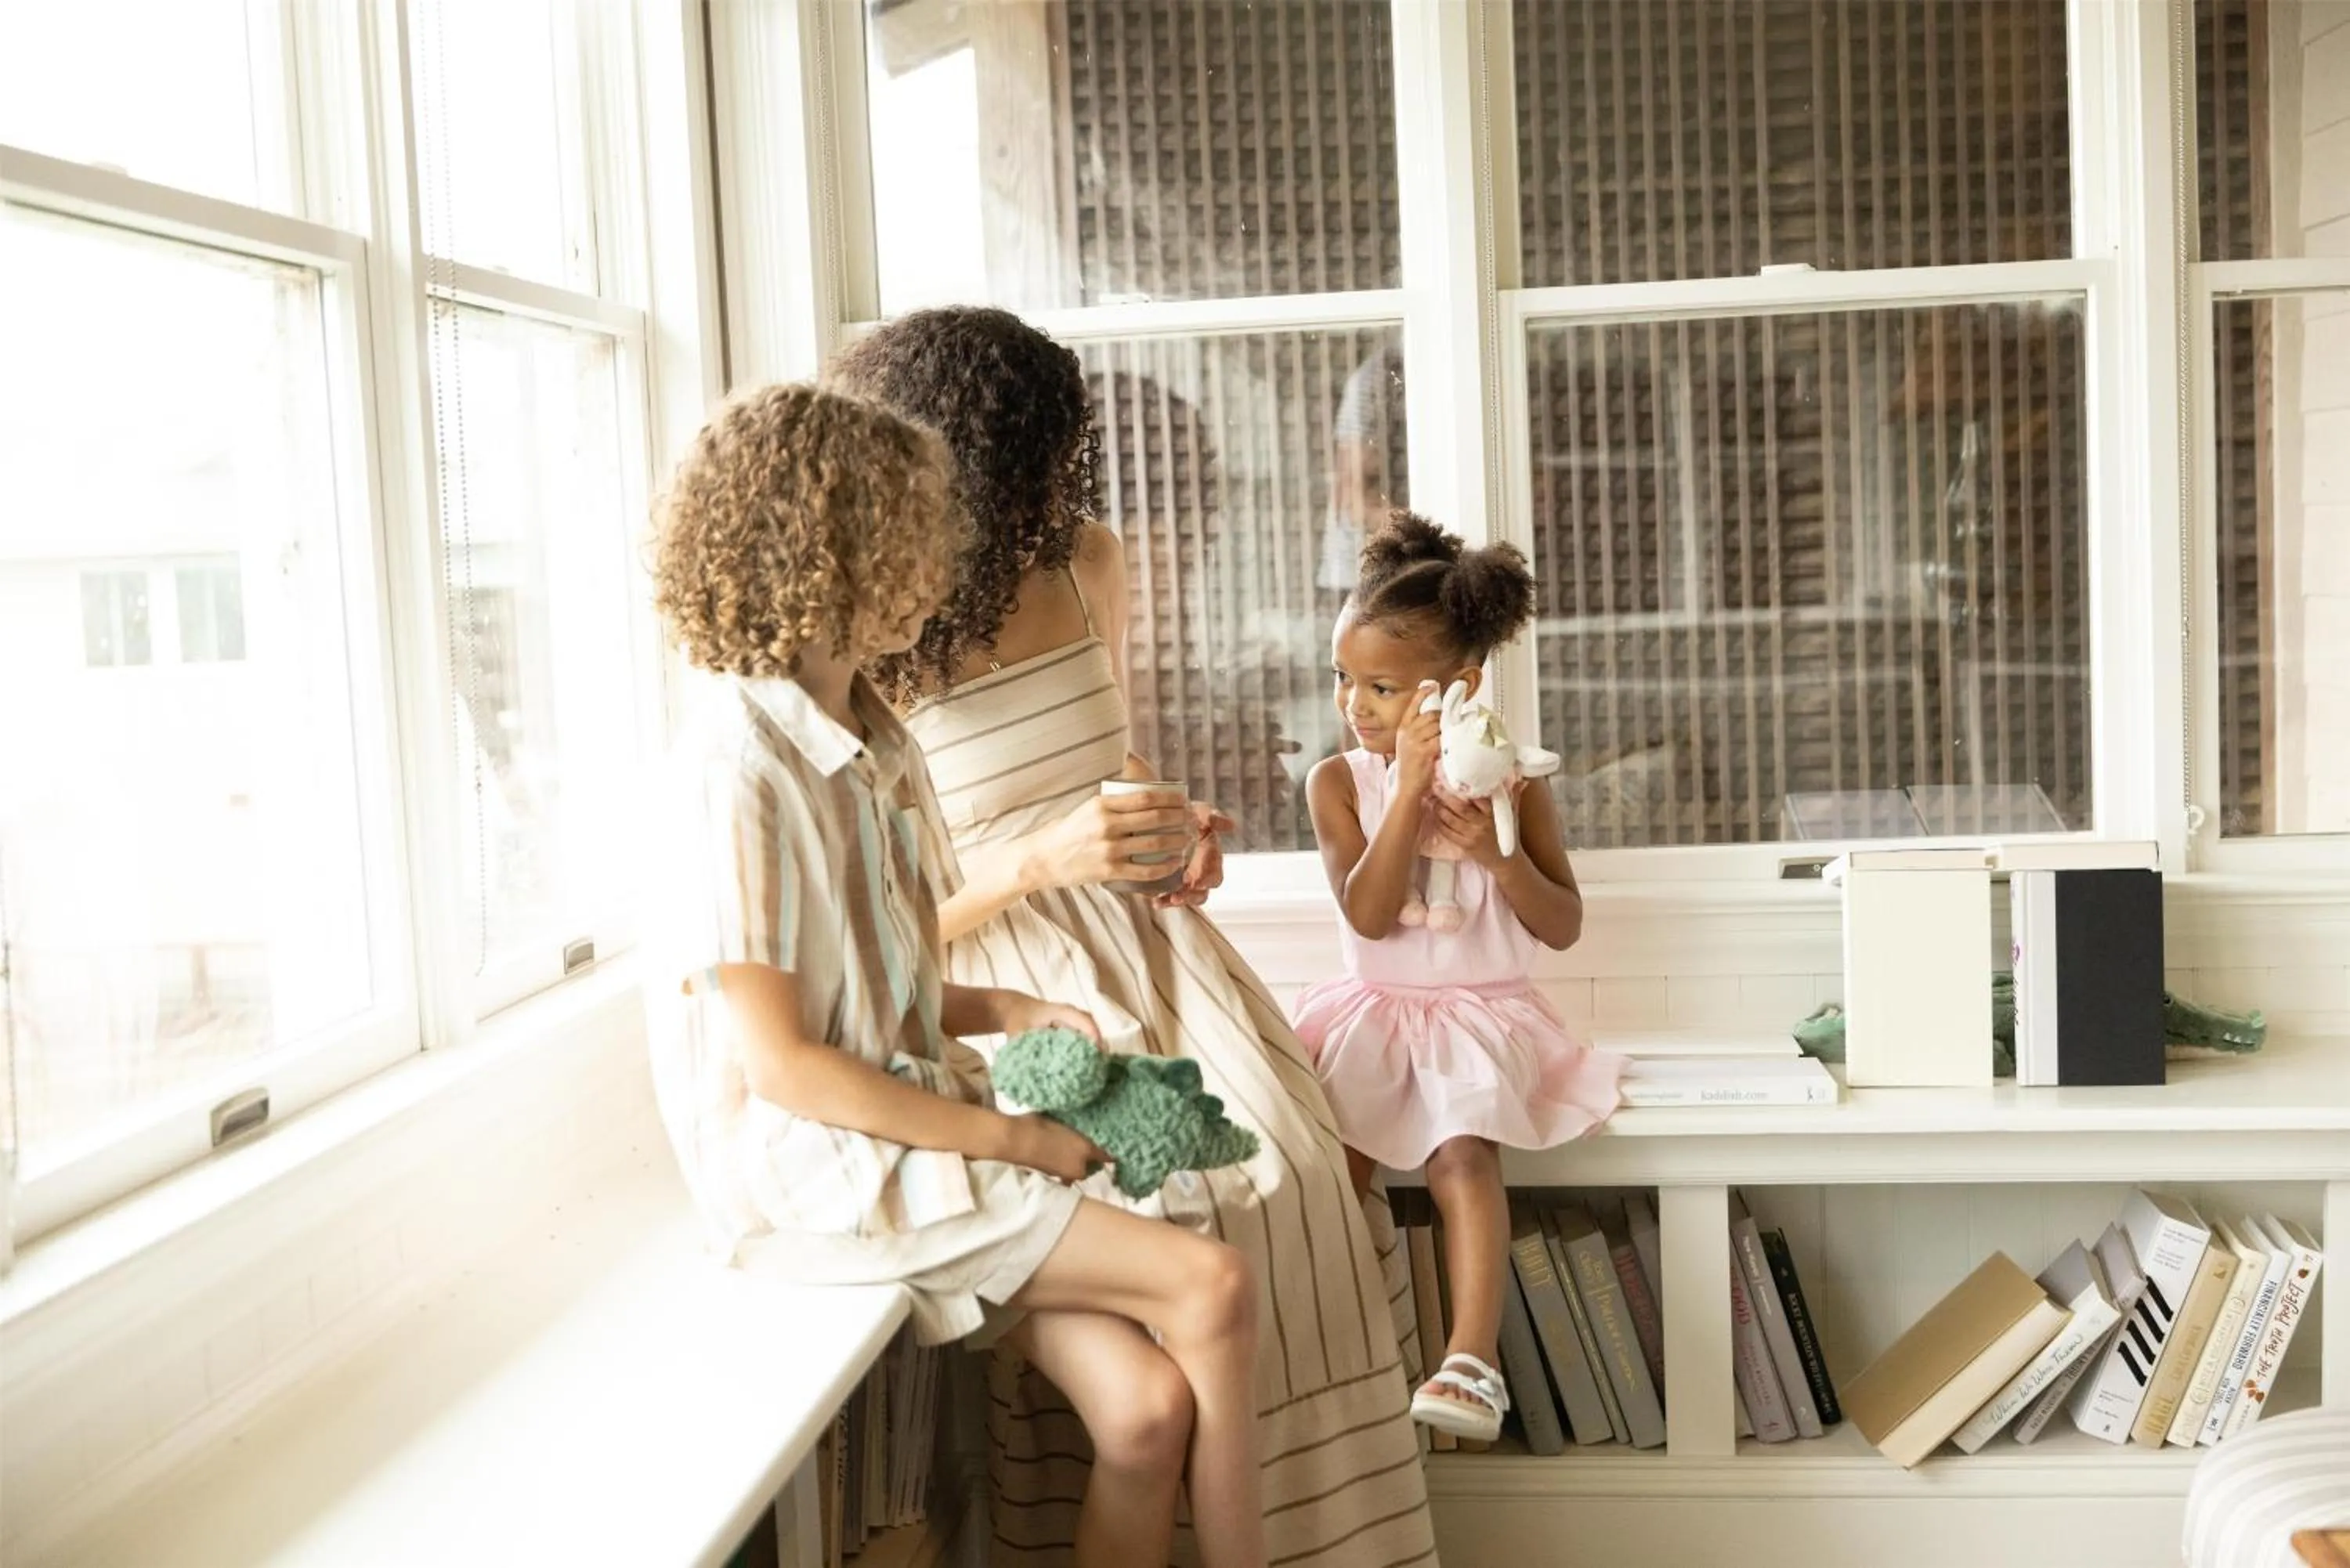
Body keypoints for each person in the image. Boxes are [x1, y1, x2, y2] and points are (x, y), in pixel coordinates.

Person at [827, 309, 1437, 1568]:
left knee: (1305, 1180)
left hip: (1154, 950)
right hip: (999, 986)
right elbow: (874, 937)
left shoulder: (1086, 561)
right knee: (1196, 1201)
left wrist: (1177, 826)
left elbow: (1109, 758)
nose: (1066, 481)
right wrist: (1046, 861)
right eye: (1041, 453)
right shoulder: (873, 635)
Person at [643, 383, 1266, 1568]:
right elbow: (784, 1063)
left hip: (902, 1126)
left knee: (1144, 1415)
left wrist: (1014, 1009)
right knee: (1215, 1287)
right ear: (830, 549)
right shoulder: (739, 766)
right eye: (911, 533)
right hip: (816, 1173)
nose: (941, 560)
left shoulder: (870, 736)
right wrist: (1019, 1142)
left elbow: (885, 987)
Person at [1292, 512, 1623, 1444]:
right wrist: (1403, 793)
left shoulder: (1514, 784)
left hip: (1483, 1017)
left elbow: (1562, 924)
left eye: (1383, 688)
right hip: (1373, 1011)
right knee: (1332, 1170)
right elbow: (1367, 910)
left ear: (1461, 687)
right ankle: (1328, 1354)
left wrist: (1499, 853)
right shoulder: (1338, 782)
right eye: (1344, 680)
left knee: (1463, 1154)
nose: (1356, 704)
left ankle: (1470, 1362)